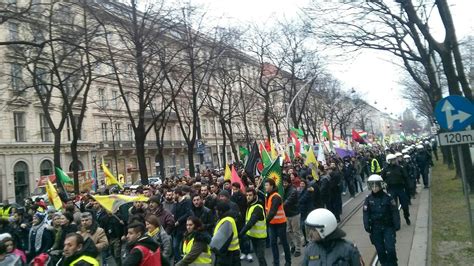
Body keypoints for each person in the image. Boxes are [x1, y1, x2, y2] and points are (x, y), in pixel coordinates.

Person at [363, 174, 400, 266]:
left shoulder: (388, 197)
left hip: (388, 226)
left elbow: (394, 211)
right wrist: (366, 225)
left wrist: (396, 223)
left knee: (390, 248)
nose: (374, 188)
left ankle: (393, 263)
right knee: (380, 250)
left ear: (381, 185)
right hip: (376, 228)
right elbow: (366, 213)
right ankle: (384, 264)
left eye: (376, 185)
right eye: (372, 185)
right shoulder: (368, 199)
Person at [264, 178, 291, 266]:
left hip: (280, 224)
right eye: (265, 185)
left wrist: (265, 222)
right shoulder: (268, 195)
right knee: (273, 244)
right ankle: (276, 262)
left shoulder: (276, 196)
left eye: (267, 185)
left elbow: (272, 211)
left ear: (272, 186)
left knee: (284, 243)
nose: (265, 187)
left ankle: (288, 261)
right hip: (272, 224)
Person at [239, 189, 267, 266]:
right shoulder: (250, 206)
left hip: (260, 238)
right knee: (259, 257)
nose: (248, 197)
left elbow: (251, 222)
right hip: (253, 236)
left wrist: (241, 234)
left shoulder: (257, 207)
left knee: (261, 257)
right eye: (247, 195)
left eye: (250, 195)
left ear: (255, 196)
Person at [381, 154, 411, 225]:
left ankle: (406, 217)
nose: (394, 161)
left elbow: (406, 177)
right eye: (392, 160)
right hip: (391, 190)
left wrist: (408, 187)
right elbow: (382, 180)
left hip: (400, 189)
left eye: (395, 159)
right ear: (388, 161)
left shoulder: (400, 168)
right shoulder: (385, 170)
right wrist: (384, 188)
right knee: (394, 207)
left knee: (405, 205)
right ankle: (397, 222)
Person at [210, 201, 240, 266]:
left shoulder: (227, 221)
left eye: (217, 210)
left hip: (228, 254)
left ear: (221, 211)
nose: (216, 212)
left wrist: (214, 248)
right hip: (230, 253)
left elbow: (221, 240)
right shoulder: (225, 219)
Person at [282, 175, 302, 257]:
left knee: (296, 232)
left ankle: (298, 249)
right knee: (287, 231)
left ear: (289, 182)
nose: (284, 184)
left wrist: (279, 206)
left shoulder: (293, 191)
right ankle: (292, 245)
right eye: (283, 183)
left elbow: (287, 202)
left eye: (285, 183)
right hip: (286, 214)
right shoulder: (283, 190)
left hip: (294, 214)